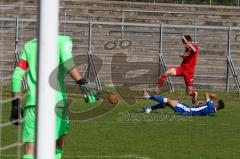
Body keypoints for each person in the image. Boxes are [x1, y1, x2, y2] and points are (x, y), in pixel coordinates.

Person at [10, 35, 97, 159]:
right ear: (58, 22)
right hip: (56, 104)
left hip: (33, 106)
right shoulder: (63, 41)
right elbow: (68, 63)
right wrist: (82, 82)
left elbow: (17, 76)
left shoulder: (29, 46)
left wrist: (15, 105)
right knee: (57, 145)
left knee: (30, 148)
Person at [157, 35, 199, 104]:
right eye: (183, 43)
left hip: (189, 73)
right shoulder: (186, 49)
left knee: (189, 92)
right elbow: (189, 58)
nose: (184, 45)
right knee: (167, 72)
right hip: (181, 68)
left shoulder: (194, 47)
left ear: (189, 42)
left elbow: (194, 51)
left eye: (185, 43)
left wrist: (186, 41)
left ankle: (194, 94)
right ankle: (158, 88)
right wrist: (183, 57)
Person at [141, 90, 225, 116]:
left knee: (168, 101)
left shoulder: (211, 107)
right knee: (167, 103)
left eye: (216, 101)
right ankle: (149, 109)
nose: (214, 101)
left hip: (187, 110)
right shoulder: (212, 110)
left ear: (217, 105)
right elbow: (200, 110)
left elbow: (205, 93)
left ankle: (148, 96)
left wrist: (212, 95)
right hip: (188, 110)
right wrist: (199, 103)